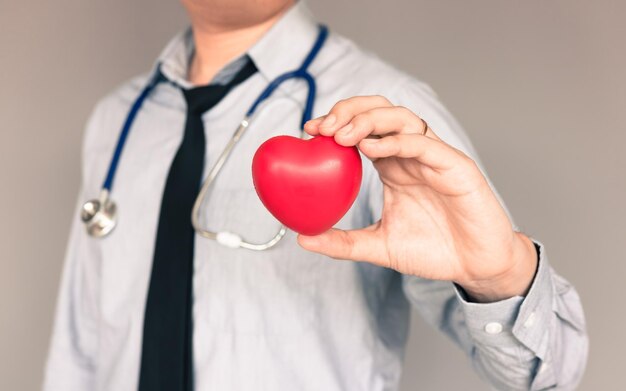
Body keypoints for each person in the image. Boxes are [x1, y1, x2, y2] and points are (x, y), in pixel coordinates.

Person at [43, 1, 588, 390]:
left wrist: (499, 278)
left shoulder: (388, 121)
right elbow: (81, 340)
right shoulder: (117, 122)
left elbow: (548, 375)